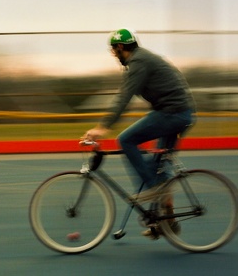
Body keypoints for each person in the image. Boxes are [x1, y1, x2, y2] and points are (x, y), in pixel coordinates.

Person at [83, 28, 195, 238]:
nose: (114, 55)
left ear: (120, 47)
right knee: (158, 166)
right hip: (180, 113)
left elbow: (124, 97)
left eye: (113, 50)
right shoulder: (143, 59)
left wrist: (102, 127)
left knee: (126, 139)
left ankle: (153, 190)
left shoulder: (138, 62)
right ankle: (165, 221)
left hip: (173, 114)